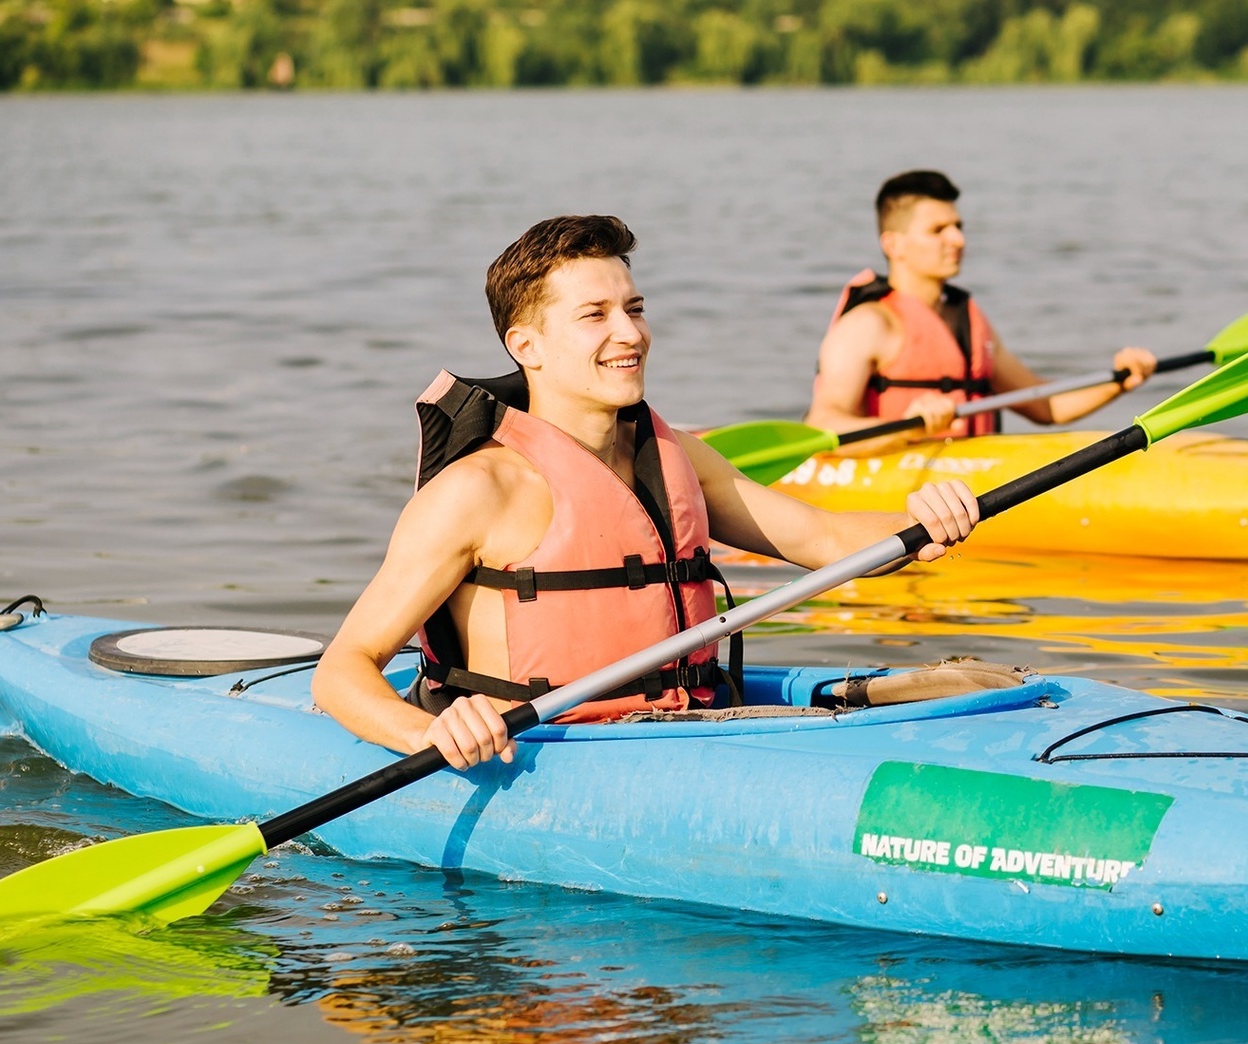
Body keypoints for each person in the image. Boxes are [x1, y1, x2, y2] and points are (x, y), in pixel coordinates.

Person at [312, 215, 980, 771]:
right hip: (547, 755)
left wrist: (920, 524)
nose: (630, 333)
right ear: (527, 345)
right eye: (595, 316)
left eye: (633, 309)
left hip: (685, 732)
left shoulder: (672, 456)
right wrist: (428, 735)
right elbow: (344, 671)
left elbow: (825, 540)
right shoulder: (480, 490)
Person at [808, 170, 1159, 445]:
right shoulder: (868, 324)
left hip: (964, 481)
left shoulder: (969, 322)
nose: (958, 240)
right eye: (938, 230)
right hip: (894, 483)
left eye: (958, 227)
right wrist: (904, 427)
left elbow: (1045, 406)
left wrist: (1121, 380)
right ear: (893, 244)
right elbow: (823, 426)